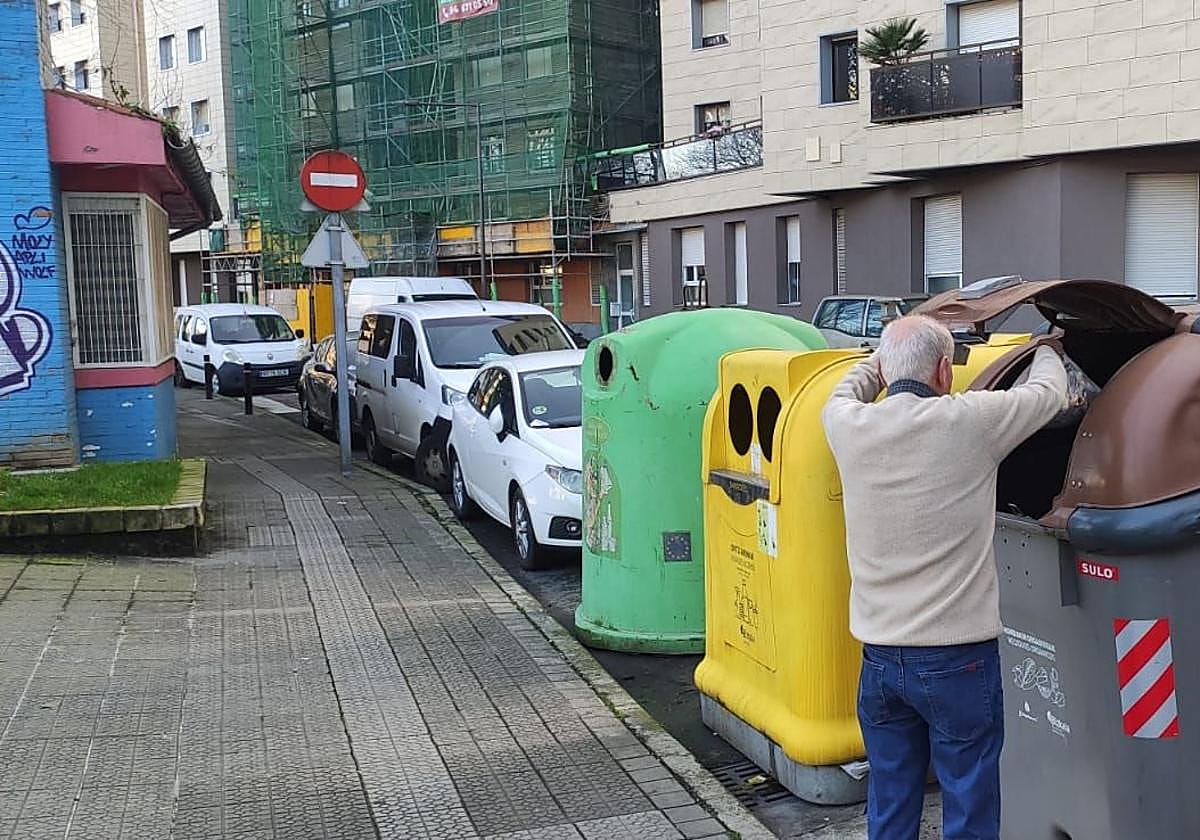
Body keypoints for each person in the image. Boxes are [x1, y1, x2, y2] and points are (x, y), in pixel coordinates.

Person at [821, 315, 1068, 840]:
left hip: (881, 659)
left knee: (889, 800)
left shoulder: (846, 424)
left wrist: (880, 362)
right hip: (959, 660)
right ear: (943, 370)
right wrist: (1047, 344)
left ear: (886, 369)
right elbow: (1050, 392)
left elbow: (847, 388)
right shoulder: (969, 422)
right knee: (969, 801)